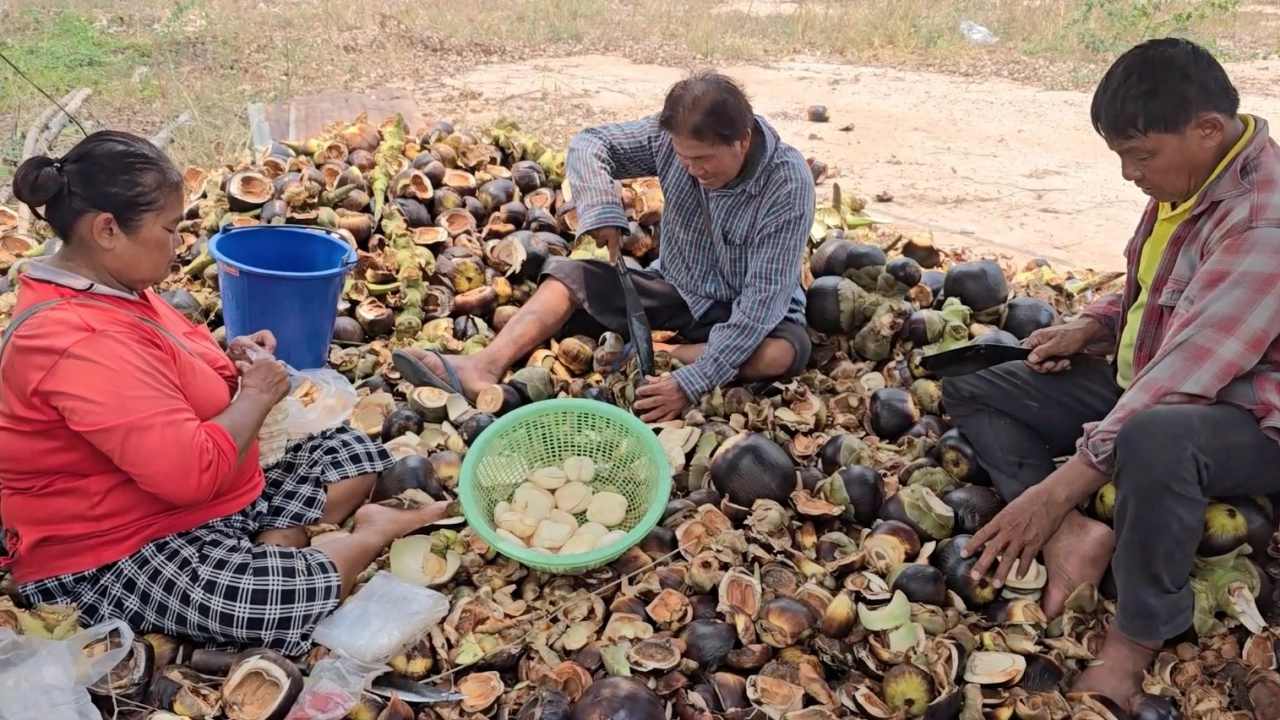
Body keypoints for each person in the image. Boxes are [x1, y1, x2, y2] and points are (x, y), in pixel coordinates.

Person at [0, 131, 451, 657]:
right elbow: (188, 475)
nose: (177, 243)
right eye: (169, 229)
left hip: (191, 493)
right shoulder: (77, 340)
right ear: (106, 230)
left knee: (349, 454)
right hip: (111, 544)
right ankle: (369, 533)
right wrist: (256, 396)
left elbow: (168, 365)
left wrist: (230, 358)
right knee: (273, 599)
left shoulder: (114, 288)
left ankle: (272, 543)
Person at [940, 38, 1280, 706]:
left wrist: (1056, 487)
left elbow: (1186, 374)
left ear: (1207, 129)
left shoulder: (1263, 222)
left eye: (1139, 155)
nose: (1129, 174)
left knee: (1154, 439)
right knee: (971, 377)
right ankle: (1075, 538)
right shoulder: (1196, 177)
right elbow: (1156, 284)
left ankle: (1135, 641)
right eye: (1122, 155)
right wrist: (1095, 323)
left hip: (1249, 417)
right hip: (1149, 381)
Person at [393, 70, 816, 423]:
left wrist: (692, 382)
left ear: (742, 140)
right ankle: (483, 364)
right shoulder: (668, 140)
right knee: (567, 275)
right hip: (678, 286)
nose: (692, 170)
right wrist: (602, 208)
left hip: (747, 306)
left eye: (703, 159)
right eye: (683, 158)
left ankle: (667, 352)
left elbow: (761, 304)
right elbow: (590, 143)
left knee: (781, 353)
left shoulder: (787, 183)